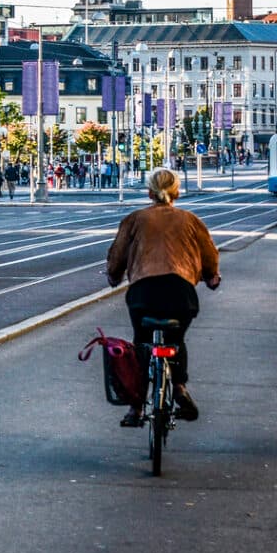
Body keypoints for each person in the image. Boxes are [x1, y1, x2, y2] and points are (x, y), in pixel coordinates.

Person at [105, 167, 221, 426]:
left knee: (141, 343)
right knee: (176, 338)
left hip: (143, 293)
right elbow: (209, 253)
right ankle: (179, 386)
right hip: (181, 293)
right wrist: (212, 276)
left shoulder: (135, 219)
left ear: (149, 193)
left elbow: (118, 254)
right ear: (177, 192)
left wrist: (113, 275)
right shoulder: (190, 220)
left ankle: (136, 408)